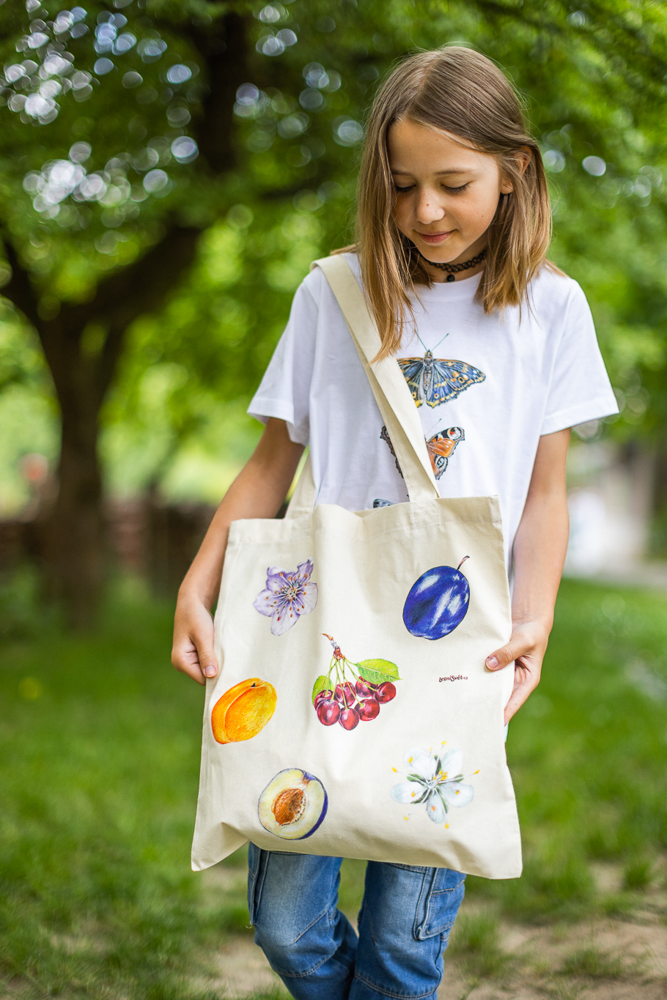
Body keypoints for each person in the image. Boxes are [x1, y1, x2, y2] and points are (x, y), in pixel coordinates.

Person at [172, 45, 618, 1000]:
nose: (425, 212)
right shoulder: (330, 295)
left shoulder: (549, 309)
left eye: (454, 184)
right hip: (314, 635)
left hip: (456, 648)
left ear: (514, 172)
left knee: (404, 943)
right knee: (286, 923)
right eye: (402, 185)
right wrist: (195, 587)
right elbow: (269, 463)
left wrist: (534, 620)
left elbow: (544, 492)